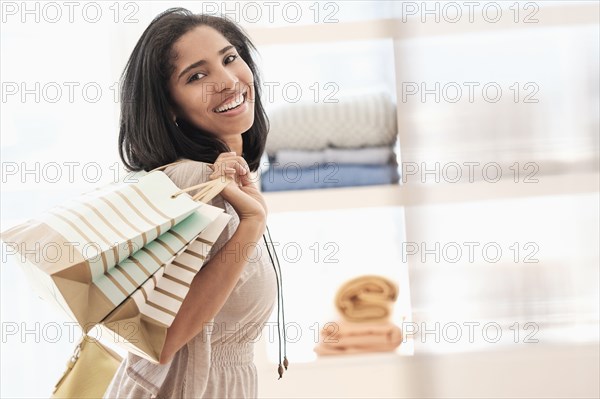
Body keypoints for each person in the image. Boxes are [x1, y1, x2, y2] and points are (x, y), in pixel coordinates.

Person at [104, 7, 287, 399]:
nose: (227, 81)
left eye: (229, 58)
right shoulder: (193, 182)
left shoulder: (223, 181)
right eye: (196, 76)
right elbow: (161, 340)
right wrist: (252, 222)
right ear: (169, 105)